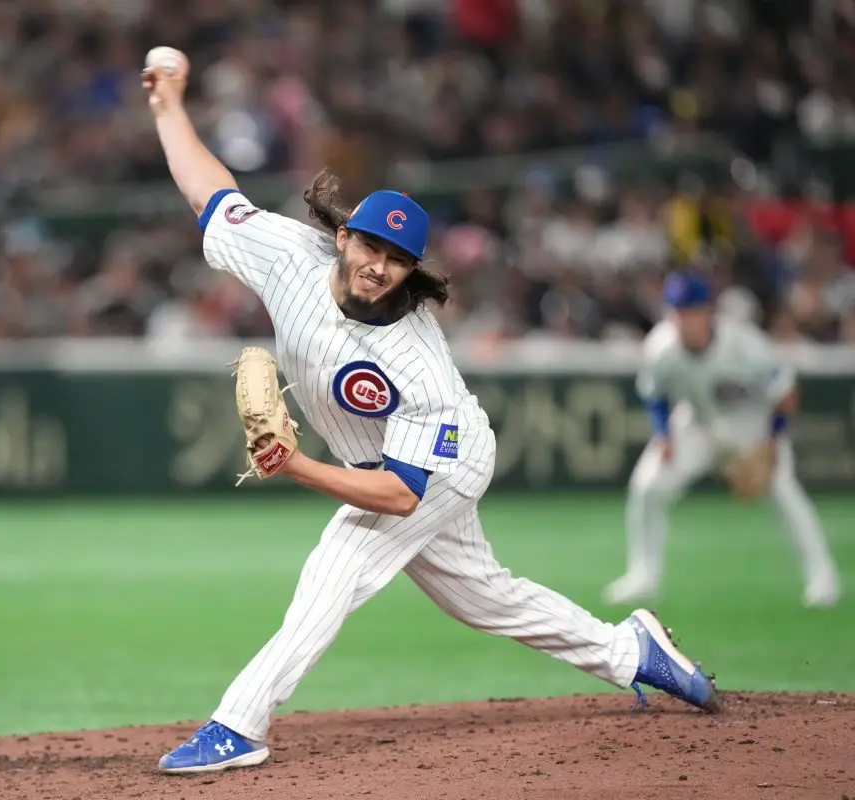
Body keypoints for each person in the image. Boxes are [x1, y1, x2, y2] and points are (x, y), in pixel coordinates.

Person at [141, 50, 723, 776]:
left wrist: (296, 466)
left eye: (397, 258)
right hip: (381, 462)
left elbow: (400, 492)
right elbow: (209, 191)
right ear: (344, 234)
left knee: (338, 565)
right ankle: (630, 649)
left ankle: (240, 722)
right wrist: (168, 107)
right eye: (370, 244)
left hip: (439, 462)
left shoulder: (416, 363)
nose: (379, 265)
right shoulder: (288, 254)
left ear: (412, 271)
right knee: (486, 600)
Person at [604, 272, 841, 608]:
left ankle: (823, 578)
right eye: (676, 310)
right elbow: (654, 394)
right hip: (697, 423)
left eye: (690, 310)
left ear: (707, 312)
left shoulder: (744, 343)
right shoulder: (661, 347)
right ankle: (643, 576)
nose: (682, 319)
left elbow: (786, 394)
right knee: (648, 486)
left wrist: (774, 439)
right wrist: (663, 433)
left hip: (752, 426)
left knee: (785, 495)